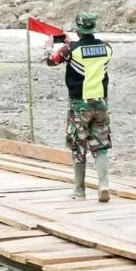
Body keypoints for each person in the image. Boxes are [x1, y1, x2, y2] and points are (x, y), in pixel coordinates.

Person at [48, 13, 114, 203]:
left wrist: (50, 47)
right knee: (101, 146)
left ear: (78, 28)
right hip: (101, 103)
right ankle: (104, 185)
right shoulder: (107, 48)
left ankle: (79, 190)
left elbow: (52, 60)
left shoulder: (71, 49)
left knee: (78, 145)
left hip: (79, 104)